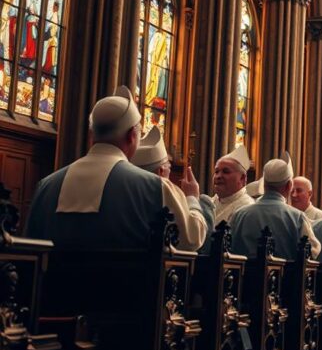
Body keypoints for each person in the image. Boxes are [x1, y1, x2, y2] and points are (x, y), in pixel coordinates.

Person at [28, 86, 210, 250]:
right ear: (132, 136)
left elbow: (29, 247)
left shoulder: (46, 186)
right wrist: (192, 199)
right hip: (125, 288)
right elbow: (191, 239)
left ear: (91, 135)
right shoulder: (156, 188)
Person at [229, 153, 321, 261]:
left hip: (243, 277)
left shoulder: (239, 215)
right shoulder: (297, 217)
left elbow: (229, 249)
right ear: (289, 186)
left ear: (264, 185)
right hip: (285, 277)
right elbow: (312, 251)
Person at [203, 145, 254, 225]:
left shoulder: (247, 209)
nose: (218, 176)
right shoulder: (210, 202)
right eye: (216, 172)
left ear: (242, 178)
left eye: (226, 172)